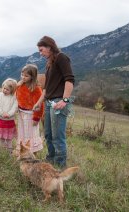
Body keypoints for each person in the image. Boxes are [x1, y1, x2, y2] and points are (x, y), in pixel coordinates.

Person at [33, 36, 75, 168]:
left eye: (41, 50)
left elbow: (69, 80)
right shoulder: (49, 63)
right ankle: (50, 160)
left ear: (49, 47)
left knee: (58, 137)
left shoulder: (61, 57)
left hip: (58, 102)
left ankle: (60, 166)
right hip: (49, 102)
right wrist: (39, 102)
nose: (40, 53)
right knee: (48, 135)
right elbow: (47, 87)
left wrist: (65, 100)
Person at [15, 64, 44, 155]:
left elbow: (40, 105)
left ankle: (32, 152)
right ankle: (22, 150)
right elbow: (17, 97)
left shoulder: (36, 89)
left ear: (32, 77)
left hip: (30, 114)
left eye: (26, 76)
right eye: (22, 74)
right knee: (22, 132)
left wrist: (36, 118)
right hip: (21, 113)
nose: (23, 77)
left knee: (31, 134)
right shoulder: (20, 85)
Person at [0, 78, 18, 152]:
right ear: (2, 87)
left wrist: (9, 114)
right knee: (1, 137)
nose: (5, 90)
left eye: (7, 90)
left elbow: (15, 107)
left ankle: (10, 151)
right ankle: (1, 151)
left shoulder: (14, 97)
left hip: (10, 121)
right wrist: (2, 113)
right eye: (4, 88)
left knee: (9, 138)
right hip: (1, 120)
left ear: (12, 90)